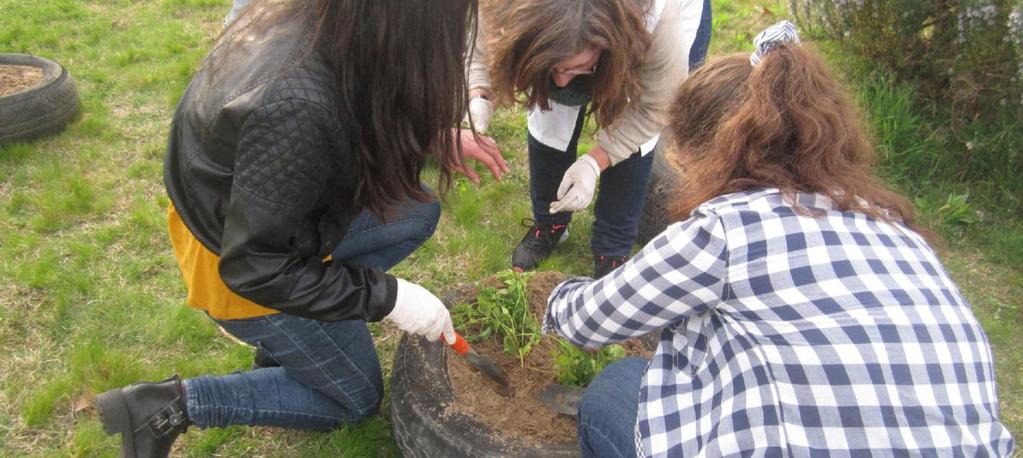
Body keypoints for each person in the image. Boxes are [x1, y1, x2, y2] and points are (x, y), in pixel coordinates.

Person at [543, 21, 1015, 457]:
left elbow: (587, 322)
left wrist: (554, 299)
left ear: (703, 152)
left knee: (619, 388)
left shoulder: (725, 229)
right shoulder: (896, 229)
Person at [93, 1, 505, 457]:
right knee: (356, 399)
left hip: (278, 219)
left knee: (416, 211)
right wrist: (388, 297)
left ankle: (288, 343)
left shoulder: (326, 23)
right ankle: (169, 405)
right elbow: (255, 266)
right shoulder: (295, 104)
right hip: (238, 261)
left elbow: (354, 99)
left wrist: (427, 137)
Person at [463, 0, 712, 279]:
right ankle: (550, 223)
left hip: (647, 35)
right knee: (550, 122)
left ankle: (612, 249)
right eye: (555, 68)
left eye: (575, 67)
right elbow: (483, 44)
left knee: (635, 140)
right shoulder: (506, 7)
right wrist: (479, 94)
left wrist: (595, 162)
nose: (560, 82)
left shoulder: (659, 26)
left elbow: (655, 106)